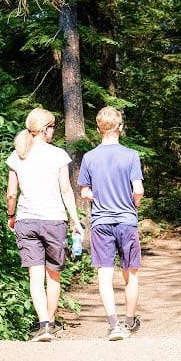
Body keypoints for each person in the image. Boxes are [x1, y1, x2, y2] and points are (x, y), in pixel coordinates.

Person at [6, 108, 84, 342]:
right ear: (45, 129)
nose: (54, 131)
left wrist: (11, 215)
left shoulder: (17, 155)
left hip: (26, 220)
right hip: (54, 220)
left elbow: (12, 193)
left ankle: (44, 327)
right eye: (52, 127)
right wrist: (75, 220)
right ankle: (50, 322)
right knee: (54, 276)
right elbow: (66, 189)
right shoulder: (58, 155)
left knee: (35, 276)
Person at [78, 107, 144, 341]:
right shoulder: (131, 155)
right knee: (131, 273)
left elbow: (85, 191)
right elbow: (138, 190)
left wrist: (97, 196)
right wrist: (132, 204)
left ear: (98, 129)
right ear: (120, 128)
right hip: (127, 220)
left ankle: (114, 324)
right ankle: (129, 321)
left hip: (101, 222)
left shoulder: (89, 157)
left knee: (105, 274)